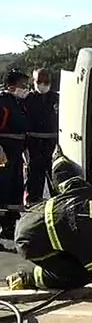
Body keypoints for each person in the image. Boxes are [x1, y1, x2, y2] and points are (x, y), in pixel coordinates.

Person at [5, 146, 92, 290]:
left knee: (76, 254)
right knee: (79, 275)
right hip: (30, 243)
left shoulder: (88, 194)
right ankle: (28, 278)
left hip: (31, 217)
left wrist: (58, 156)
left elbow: (65, 175)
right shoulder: (90, 238)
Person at [0, 69, 29, 239]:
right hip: (4, 151)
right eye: (22, 85)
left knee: (15, 188)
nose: (25, 88)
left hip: (17, 151)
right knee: (2, 188)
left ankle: (9, 226)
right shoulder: (3, 101)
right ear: (11, 86)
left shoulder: (19, 102)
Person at [24, 68, 59, 207]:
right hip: (33, 142)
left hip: (53, 142)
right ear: (34, 81)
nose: (43, 84)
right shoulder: (27, 99)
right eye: (39, 81)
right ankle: (33, 201)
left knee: (54, 173)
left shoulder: (57, 98)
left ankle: (57, 202)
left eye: (46, 81)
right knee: (34, 173)